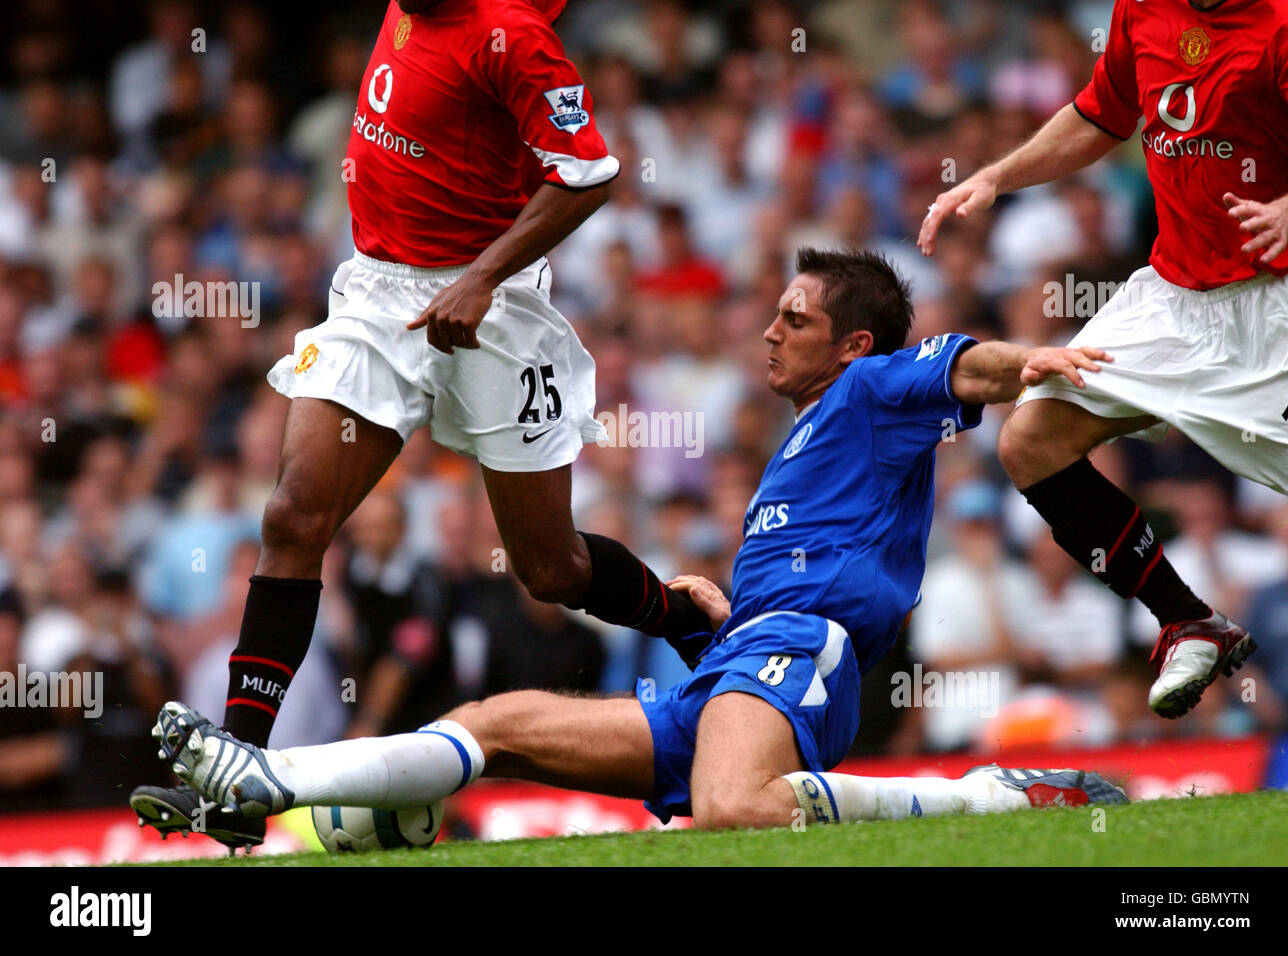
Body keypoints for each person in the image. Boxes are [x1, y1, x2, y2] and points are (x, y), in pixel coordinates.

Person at [146, 249, 1126, 841]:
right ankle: (270, 780)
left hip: (799, 651)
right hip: (744, 657)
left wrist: (1026, 361)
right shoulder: (814, 429)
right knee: (494, 724)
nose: (769, 331)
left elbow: (960, 364)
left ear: (850, 346)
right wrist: (718, 611)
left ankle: (990, 795)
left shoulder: (871, 390)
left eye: (796, 318)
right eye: (776, 311)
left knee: (731, 806)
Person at [129, 0, 716, 850]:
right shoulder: (410, 8)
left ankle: (687, 622)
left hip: (494, 309)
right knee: (293, 515)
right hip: (375, 294)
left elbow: (587, 173)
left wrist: (481, 277)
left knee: (551, 570)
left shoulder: (512, 38)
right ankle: (240, 775)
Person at [919, 0, 1288, 720]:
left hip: (1280, 304)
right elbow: (1102, 116)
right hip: (1173, 300)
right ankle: (1189, 621)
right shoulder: (1142, 10)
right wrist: (997, 177)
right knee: (1031, 440)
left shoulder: (1285, 23)